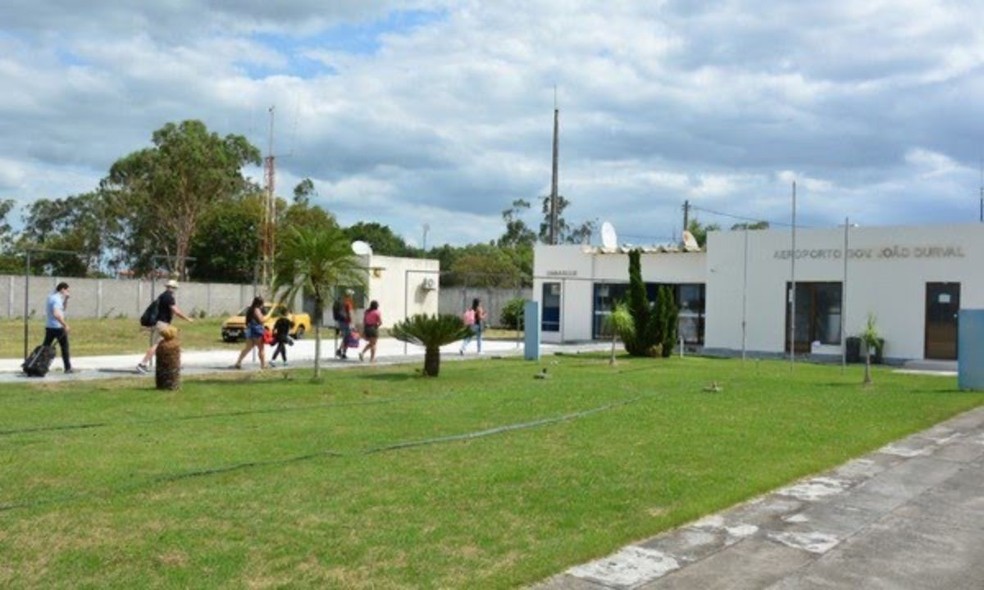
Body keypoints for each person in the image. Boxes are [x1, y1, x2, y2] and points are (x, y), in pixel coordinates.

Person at [137, 279, 193, 373]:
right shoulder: (168, 297)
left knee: (171, 339)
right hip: (162, 324)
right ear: (174, 288)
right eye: (174, 288)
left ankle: (173, 363)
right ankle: (142, 364)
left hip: (161, 323)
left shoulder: (163, 296)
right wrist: (187, 318)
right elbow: (176, 311)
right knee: (156, 345)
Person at [43, 282, 73, 373]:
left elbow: (62, 309)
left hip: (49, 326)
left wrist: (66, 299)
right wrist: (65, 325)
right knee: (64, 348)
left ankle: (41, 365)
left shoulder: (52, 297)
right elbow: (56, 314)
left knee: (45, 347)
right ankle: (68, 368)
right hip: (57, 327)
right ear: (62, 289)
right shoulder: (56, 299)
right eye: (67, 290)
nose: (68, 292)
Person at [233, 296, 268, 370]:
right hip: (257, 331)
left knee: (247, 348)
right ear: (260, 303)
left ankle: (238, 362)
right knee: (261, 348)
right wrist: (265, 318)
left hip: (250, 330)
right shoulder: (256, 310)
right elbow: (261, 320)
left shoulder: (250, 310)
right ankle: (263, 364)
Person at [335, 288, 355, 360]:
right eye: (352, 295)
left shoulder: (342, 301)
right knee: (347, 337)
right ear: (349, 295)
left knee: (346, 337)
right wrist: (352, 323)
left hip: (341, 321)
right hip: (346, 322)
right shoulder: (348, 302)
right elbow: (350, 313)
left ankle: (341, 351)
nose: (352, 296)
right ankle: (341, 352)